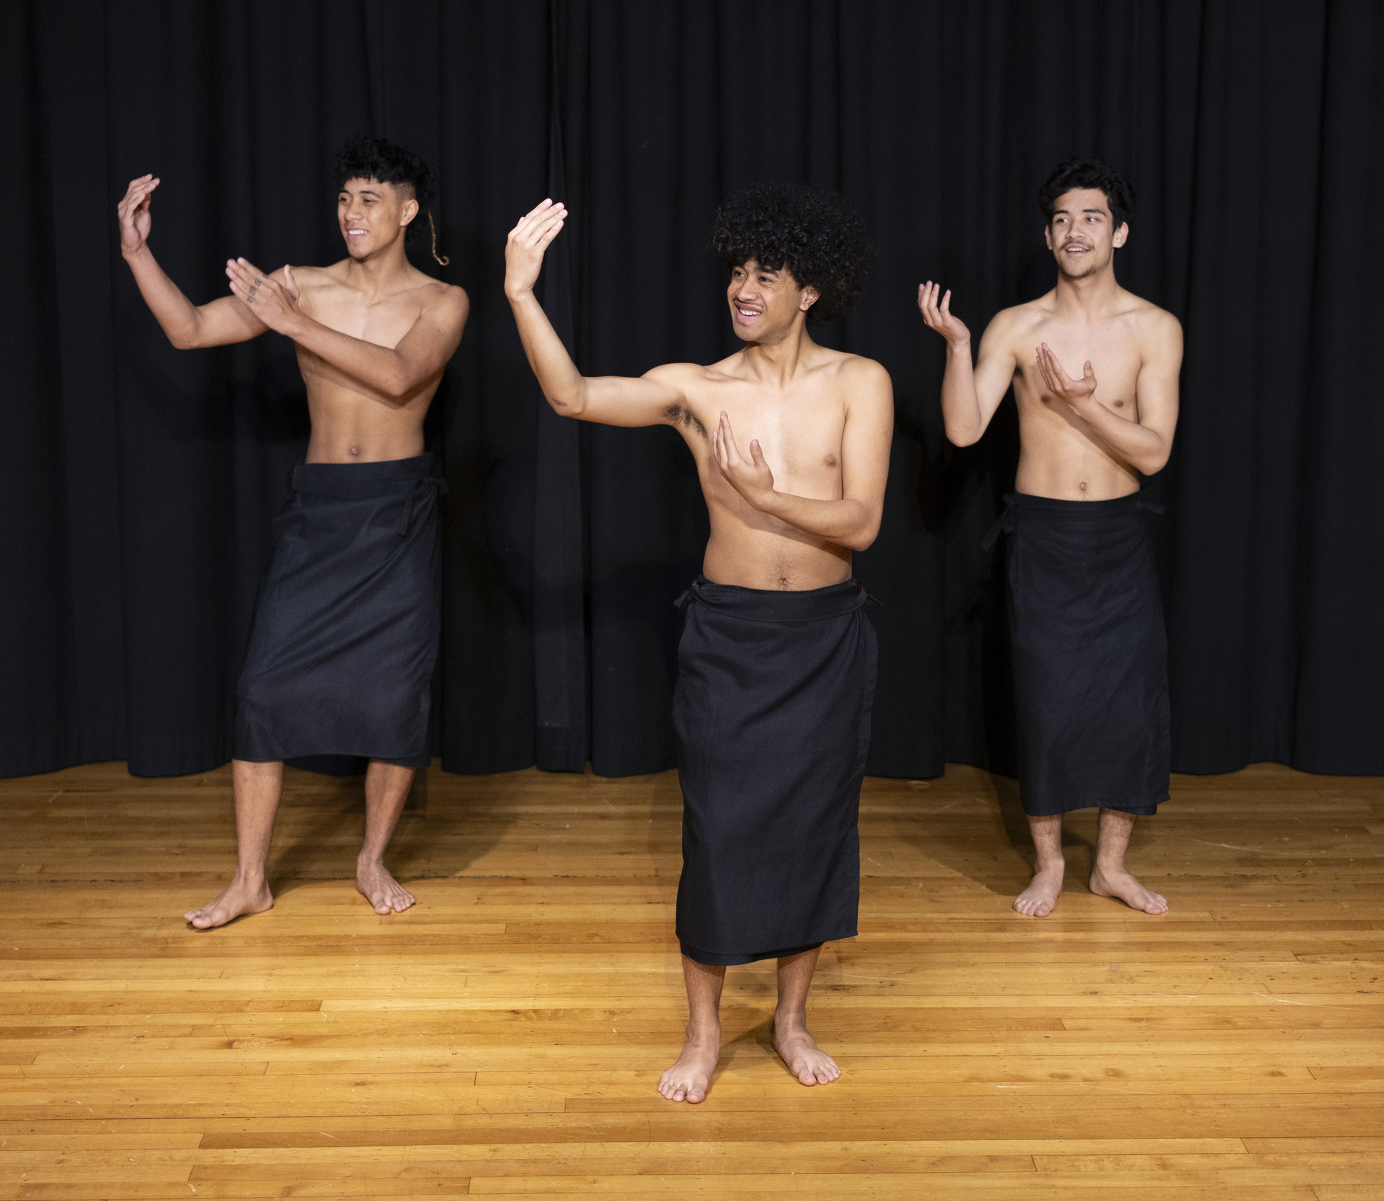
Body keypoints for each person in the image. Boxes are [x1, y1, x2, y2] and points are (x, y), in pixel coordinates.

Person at [505, 184, 891, 1103]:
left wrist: (766, 497)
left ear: (810, 291)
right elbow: (571, 395)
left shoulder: (860, 382)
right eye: (735, 271)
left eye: (766, 274)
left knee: (813, 828)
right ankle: (703, 1031)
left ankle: (791, 1020)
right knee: (717, 831)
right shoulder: (695, 390)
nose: (742, 289)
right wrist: (521, 290)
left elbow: (863, 521)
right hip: (730, 639)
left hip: (824, 640)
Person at [115, 135, 468, 928]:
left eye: (369, 199)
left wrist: (290, 324)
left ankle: (371, 858)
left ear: (407, 211)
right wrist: (138, 254)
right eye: (344, 197)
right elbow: (190, 329)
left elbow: (398, 375)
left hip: (397, 510)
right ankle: (250, 879)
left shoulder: (443, 301)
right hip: (321, 510)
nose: (351, 212)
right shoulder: (299, 285)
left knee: (394, 695)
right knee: (263, 689)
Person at [917, 158, 1181, 919]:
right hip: (1043, 535)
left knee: (1129, 705)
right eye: (1062, 218)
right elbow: (964, 430)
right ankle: (1050, 864)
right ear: (1047, 235)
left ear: (1119, 233)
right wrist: (957, 346)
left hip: (1119, 537)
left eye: (1092, 217)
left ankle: (1111, 867)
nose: (1075, 230)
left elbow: (1154, 452)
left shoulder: (1154, 328)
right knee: (1047, 703)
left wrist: (1085, 406)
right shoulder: (1016, 327)